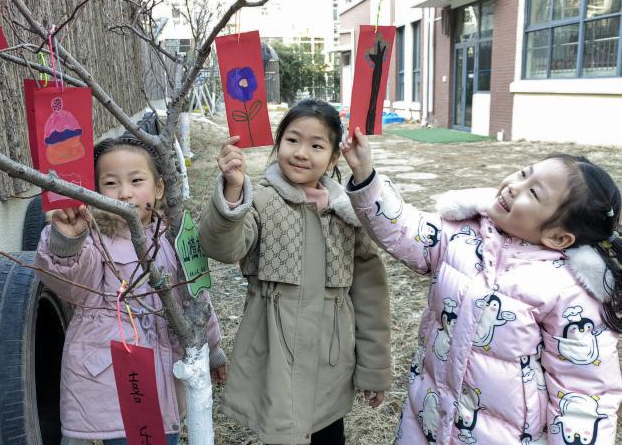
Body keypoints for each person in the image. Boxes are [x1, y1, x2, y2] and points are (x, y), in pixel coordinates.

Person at [341, 127, 622, 445]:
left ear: (558, 237)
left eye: (533, 193)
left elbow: (584, 393)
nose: (515, 187)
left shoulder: (569, 292)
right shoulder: (461, 233)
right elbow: (404, 228)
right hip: (429, 418)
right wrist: (365, 174)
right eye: (523, 174)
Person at [198, 100, 391, 445]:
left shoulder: (349, 215)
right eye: (292, 140)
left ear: (333, 158)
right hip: (274, 358)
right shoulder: (260, 202)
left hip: (330, 364)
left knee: (328, 433)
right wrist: (232, 189)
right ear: (278, 143)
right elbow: (224, 248)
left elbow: (370, 299)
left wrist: (374, 369)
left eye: (316, 145)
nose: (302, 153)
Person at [35, 135, 226, 445]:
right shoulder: (94, 241)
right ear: (96, 191)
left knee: (163, 436)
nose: (124, 193)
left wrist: (213, 348)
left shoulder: (175, 238)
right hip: (112, 379)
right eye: (110, 184)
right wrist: (66, 242)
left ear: (159, 187)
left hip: (165, 375)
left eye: (136, 180)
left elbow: (196, 299)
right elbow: (71, 281)